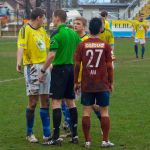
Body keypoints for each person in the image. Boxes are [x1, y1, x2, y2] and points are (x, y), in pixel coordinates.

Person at [39, 9, 81, 145]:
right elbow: (80, 50)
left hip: (60, 70)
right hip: (71, 69)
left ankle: (55, 137)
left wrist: (43, 70)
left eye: (52, 16)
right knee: (70, 102)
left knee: (56, 102)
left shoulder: (57, 33)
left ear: (57, 18)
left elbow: (51, 55)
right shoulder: (73, 33)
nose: (52, 18)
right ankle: (75, 135)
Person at [74, 17, 114, 148]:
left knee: (86, 111)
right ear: (101, 29)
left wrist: (76, 81)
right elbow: (109, 66)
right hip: (102, 83)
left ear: (89, 28)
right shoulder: (105, 45)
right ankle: (105, 140)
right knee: (104, 112)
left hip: (87, 83)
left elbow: (77, 65)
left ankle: (87, 141)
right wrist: (111, 82)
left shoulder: (82, 45)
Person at [16, 8, 51, 143]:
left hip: (44, 67)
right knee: (33, 102)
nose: (45, 20)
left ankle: (47, 134)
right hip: (31, 67)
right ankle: (29, 133)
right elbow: (21, 46)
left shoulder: (42, 30)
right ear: (38, 18)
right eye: (44, 18)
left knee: (45, 100)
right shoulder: (25, 29)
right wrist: (18, 62)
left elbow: (49, 45)